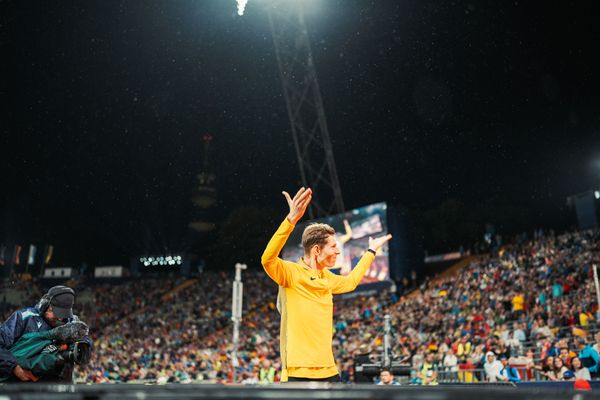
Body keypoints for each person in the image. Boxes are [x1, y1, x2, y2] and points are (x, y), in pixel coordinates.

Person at [261, 187, 392, 382]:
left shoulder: (327, 277)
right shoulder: (291, 273)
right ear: (316, 250)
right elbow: (267, 259)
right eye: (333, 247)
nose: (338, 252)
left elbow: (350, 282)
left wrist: (371, 251)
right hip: (298, 372)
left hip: (329, 371)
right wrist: (291, 221)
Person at [0, 285, 91, 382]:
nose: (60, 318)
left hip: (59, 389)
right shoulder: (24, 317)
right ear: (45, 305)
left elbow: (84, 350)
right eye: (57, 312)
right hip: (22, 386)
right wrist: (14, 367)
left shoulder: (72, 322)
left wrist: (81, 346)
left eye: (64, 314)